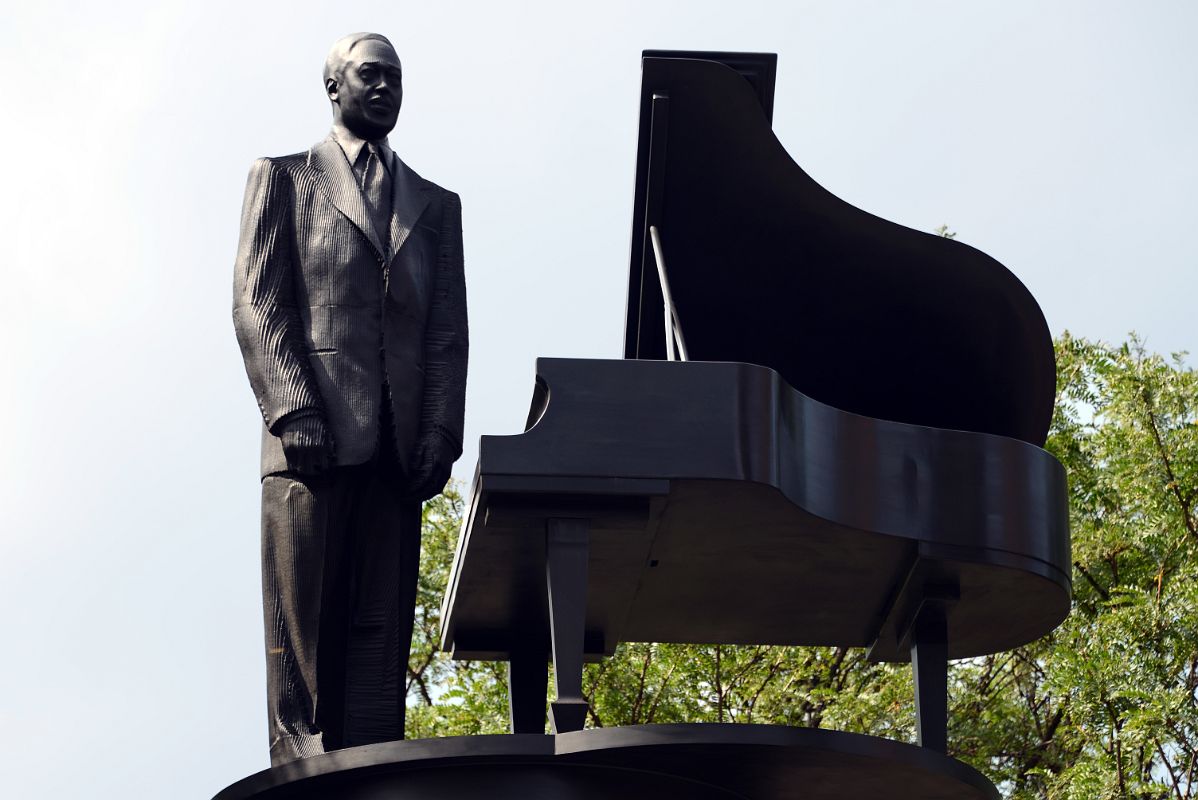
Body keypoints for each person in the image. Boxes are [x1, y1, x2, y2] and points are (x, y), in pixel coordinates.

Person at [232, 32, 467, 766]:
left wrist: (438, 431)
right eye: (371, 75)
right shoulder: (283, 177)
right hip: (311, 441)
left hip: (397, 453)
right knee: (304, 626)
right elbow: (256, 300)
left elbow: (446, 334)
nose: (386, 87)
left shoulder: (435, 206)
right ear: (333, 86)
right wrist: (294, 406)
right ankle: (300, 761)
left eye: (396, 77)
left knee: (377, 636)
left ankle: (372, 763)